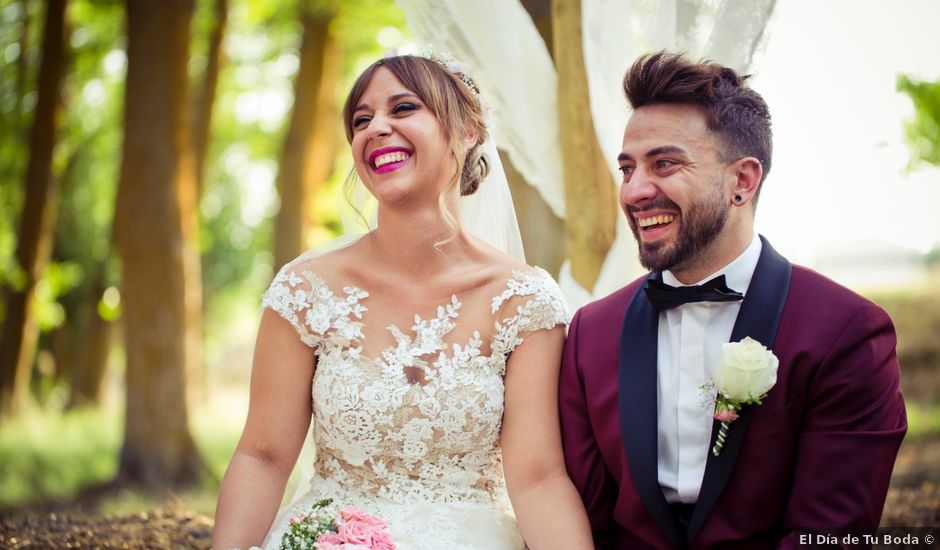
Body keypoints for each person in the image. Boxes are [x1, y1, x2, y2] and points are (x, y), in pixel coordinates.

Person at [213, 54, 593, 550]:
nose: (377, 128)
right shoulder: (305, 291)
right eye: (361, 120)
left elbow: (538, 479)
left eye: (403, 107)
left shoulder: (524, 302)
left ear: (467, 131)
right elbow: (262, 457)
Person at [559, 51, 907, 549]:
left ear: (742, 181)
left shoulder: (847, 332)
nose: (634, 191)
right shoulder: (590, 334)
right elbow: (584, 519)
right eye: (627, 168)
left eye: (664, 163)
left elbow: (831, 534)